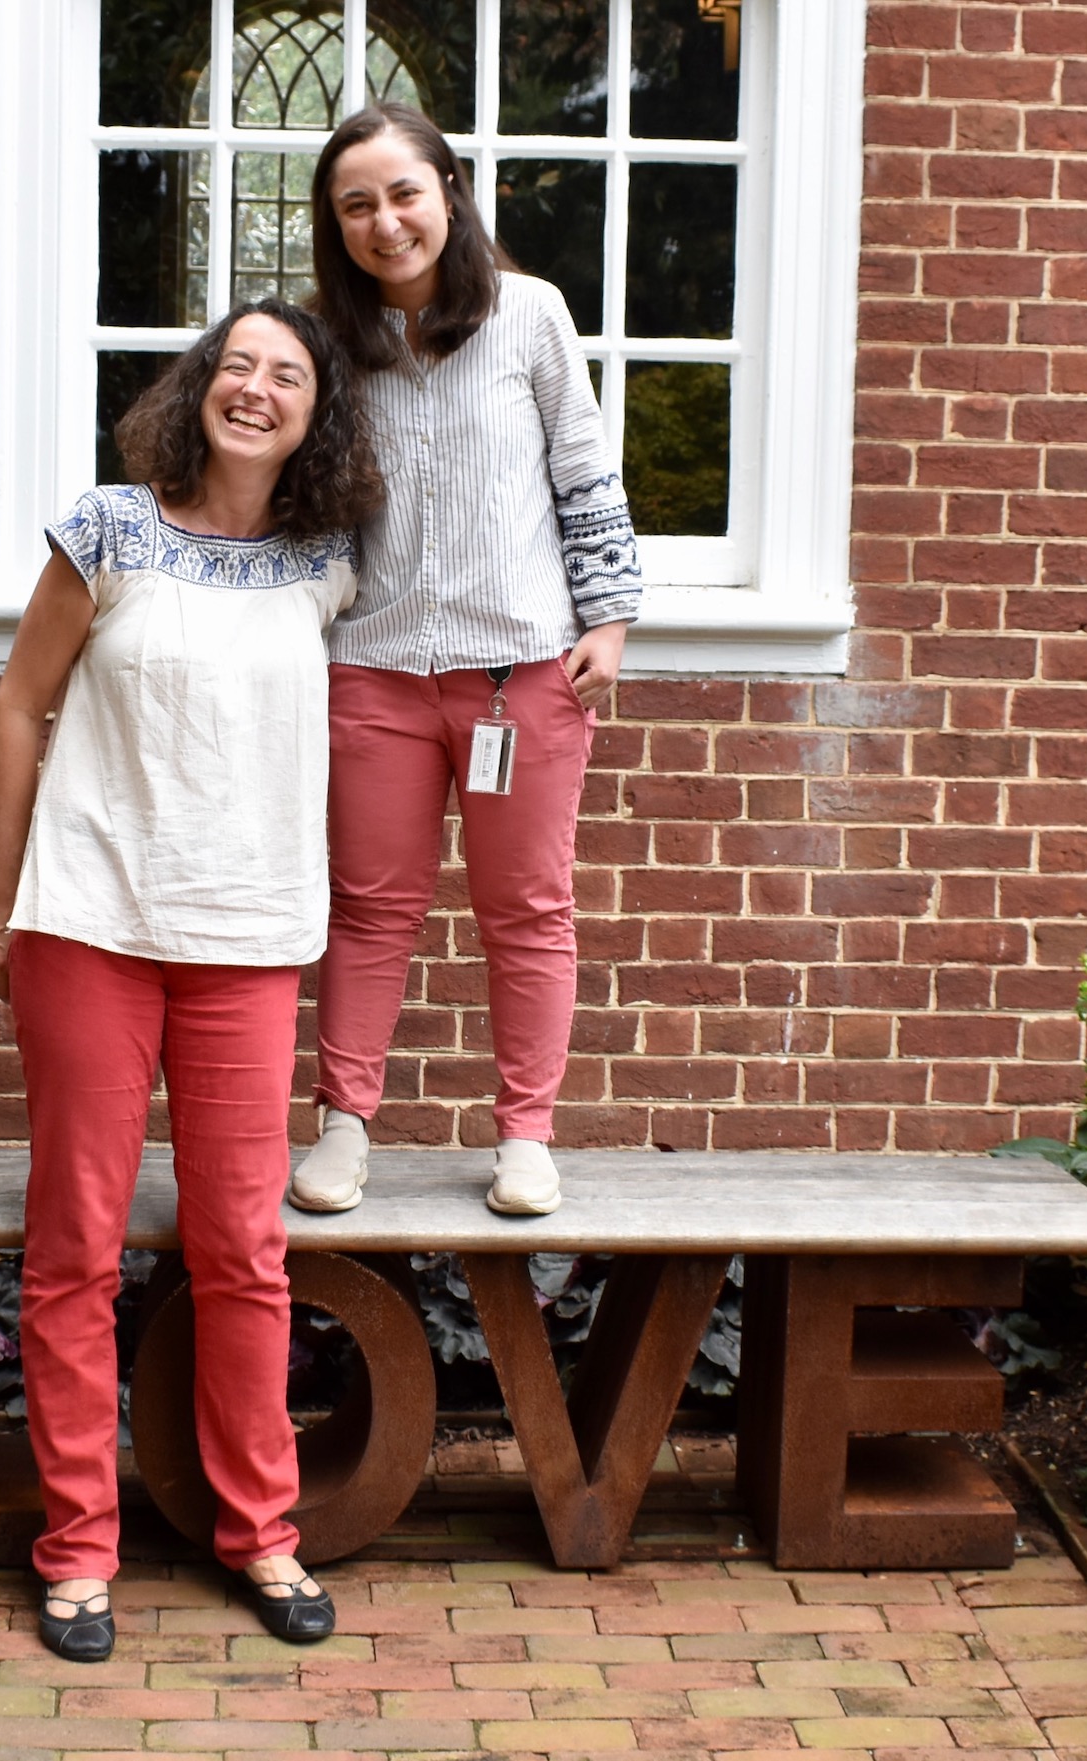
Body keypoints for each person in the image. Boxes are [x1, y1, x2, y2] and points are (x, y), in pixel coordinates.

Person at [0, 299, 382, 1663]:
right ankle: (76, 1548)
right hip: (87, 920)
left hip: (249, 939)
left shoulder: (328, 563)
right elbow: (20, 707)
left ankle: (258, 1530)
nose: (256, 389)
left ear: (316, 414)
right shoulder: (105, 529)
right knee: (74, 1251)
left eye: (288, 376)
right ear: (199, 385)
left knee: (241, 1252)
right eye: (238, 365)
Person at [287, 101, 643, 1221]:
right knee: (368, 906)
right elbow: (302, 511)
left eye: (402, 192)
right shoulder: (326, 344)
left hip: (524, 675)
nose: (384, 221)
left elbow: (584, 475)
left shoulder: (530, 315)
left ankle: (525, 1138)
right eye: (356, 204)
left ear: (446, 190)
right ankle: (344, 1125)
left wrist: (609, 619)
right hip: (374, 673)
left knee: (527, 909)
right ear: (333, 223)